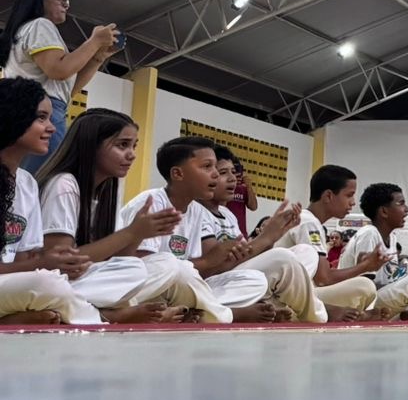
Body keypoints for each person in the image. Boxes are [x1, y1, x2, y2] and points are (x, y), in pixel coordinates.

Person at [120, 136, 307, 323]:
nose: (216, 174)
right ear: (178, 174)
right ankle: (228, 314)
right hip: (141, 291)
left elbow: (200, 274)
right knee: (170, 264)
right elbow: (146, 269)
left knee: (253, 280)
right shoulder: (151, 202)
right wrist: (208, 260)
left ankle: (192, 312)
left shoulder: (197, 211)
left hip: (179, 290)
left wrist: (269, 237)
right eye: (207, 166)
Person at [33, 109, 183, 322]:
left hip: (83, 281)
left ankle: (92, 311)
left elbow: (120, 259)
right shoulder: (64, 185)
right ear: (91, 146)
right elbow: (62, 264)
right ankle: (105, 314)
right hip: (55, 280)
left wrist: (139, 233)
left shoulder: (108, 190)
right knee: (134, 271)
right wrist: (131, 232)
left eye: (134, 146)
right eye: (122, 145)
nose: (132, 154)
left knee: (166, 263)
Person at [0, 78, 104, 324]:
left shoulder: (26, 183)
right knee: (48, 283)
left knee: (129, 270)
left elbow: (22, 263)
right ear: (12, 115)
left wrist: (56, 263)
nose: (52, 128)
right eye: (41, 118)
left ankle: (13, 320)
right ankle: (103, 323)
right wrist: (44, 264)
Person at [1, 0, 119, 173]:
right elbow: (59, 70)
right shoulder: (40, 25)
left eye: (66, 0)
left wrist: (98, 56)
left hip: (35, 110)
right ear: (39, 0)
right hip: (41, 110)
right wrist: (95, 41)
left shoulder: (24, 31)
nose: (65, 4)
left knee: (24, 178)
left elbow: (68, 89)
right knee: (47, 177)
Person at [275, 165, 389, 320]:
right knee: (365, 287)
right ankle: (326, 311)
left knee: (364, 288)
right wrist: (365, 266)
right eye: (349, 195)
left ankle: (339, 312)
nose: (353, 203)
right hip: (286, 299)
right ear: (328, 196)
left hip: (296, 295)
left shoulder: (311, 222)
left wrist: (362, 266)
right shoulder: (308, 222)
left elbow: (322, 278)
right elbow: (323, 280)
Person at [341, 182, 408, 320]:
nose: (407, 209)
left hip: (376, 301)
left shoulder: (392, 238)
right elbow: (366, 288)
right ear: (384, 211)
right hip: (359, 305)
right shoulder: (370, 234)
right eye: (401, 203)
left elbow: (388, 281)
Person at [226, 159, 259, 235]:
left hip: (241, 233)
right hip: (226, 231)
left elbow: (253, 207)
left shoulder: (243, 188)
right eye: (233, 171)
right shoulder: (223, 187)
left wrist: (249, 186)